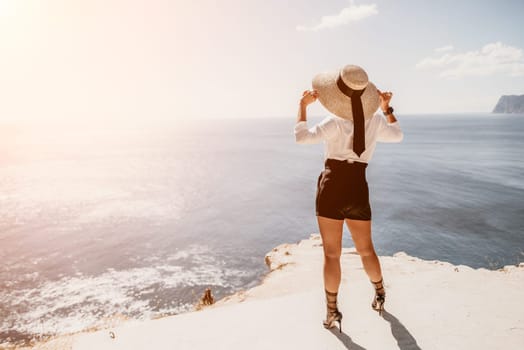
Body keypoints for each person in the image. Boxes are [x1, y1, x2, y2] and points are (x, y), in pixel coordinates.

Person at [294, 64, 403, 332]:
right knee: (367, 249)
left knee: (332, 254)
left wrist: (303, 106)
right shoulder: (376, 121)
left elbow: (302, 138)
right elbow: (398, 135)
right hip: (357, 187)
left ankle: (332, 312)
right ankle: (379, 294)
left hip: (331, 187)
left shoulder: (334, 123)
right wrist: (387, 108)